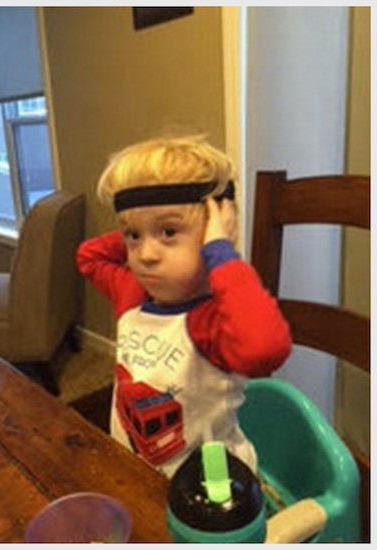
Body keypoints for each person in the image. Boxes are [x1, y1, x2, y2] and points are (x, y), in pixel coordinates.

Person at [75, 135, 292, 478]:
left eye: (169, 231)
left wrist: (221, 252)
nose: (145, 255)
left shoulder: (212, 321)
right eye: (133, 236)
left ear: (212, 236)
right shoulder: (133, 293)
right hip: (134, 466)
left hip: (213, 489)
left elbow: (264, 347)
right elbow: (89, 256)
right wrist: (143, 221)